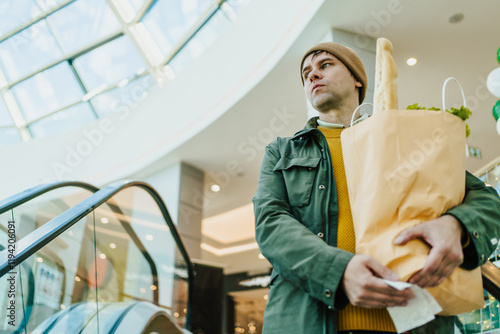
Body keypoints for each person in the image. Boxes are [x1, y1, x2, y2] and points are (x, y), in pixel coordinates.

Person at [253, 42, 500, 334]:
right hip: (305, 322)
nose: (312, 76)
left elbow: (487, 200)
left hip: (417, 322)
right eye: (306, 73)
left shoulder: (402, 137)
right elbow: (271, 223)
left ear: (358, 78)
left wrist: (456, 225)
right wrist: (338, 271)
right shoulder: (281, 152)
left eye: (325, 65)